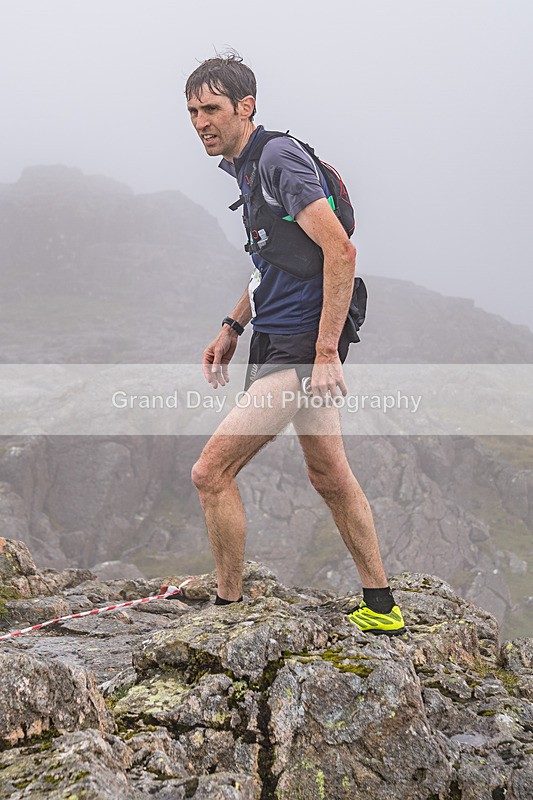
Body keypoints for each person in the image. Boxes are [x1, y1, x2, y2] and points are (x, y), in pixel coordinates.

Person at [185, 53, 406, 635]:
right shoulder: (244, 168)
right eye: (191, 111)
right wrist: (232, 327)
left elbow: (340, 251)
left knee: (211, 472)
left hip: (303, 346)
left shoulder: (278, 158)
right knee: (330, 474)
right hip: (277, 336)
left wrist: (326, 351)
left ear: (245, 107)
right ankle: (382, 607)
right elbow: (273, 262)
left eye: (211, 108)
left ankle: (228, 611)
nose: (200, 121)